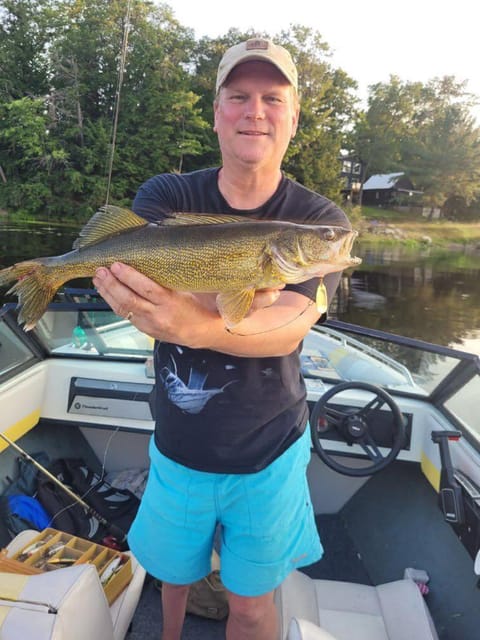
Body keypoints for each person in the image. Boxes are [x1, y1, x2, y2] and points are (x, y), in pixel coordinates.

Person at [93, 38, 351, 640]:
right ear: (216, 113)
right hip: (177, 444)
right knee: (170, 581)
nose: (254, 110)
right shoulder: (166, 196)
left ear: (293, 116)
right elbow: (148, 294)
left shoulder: (320, 223)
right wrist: (233, 302)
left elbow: (288, 326)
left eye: (271, 98)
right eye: (238, 96)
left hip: (269, 451)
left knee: (251, 606)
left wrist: (192, 320)